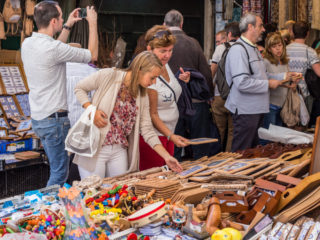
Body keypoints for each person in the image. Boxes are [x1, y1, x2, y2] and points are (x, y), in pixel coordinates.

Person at [21, 1, 98, 186]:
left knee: (56, 169)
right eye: (61, 17)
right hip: (55, 121)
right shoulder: (54, 49)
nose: (64, 19)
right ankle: (45, 210)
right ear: (54, 21)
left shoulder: (28, 43)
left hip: (40, 119)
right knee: (59, 175)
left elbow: (54, 49)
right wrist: (93, 23)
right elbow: (93, 55)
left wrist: (67, 25)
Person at [74, 51, 183, 179]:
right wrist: (92, 110)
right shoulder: (109, 75)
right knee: (93, 193)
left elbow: (147, 130)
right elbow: (79, 88)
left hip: (119, 149)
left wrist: (167, 157)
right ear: (140, 70)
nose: (154, 83)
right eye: (152, 77)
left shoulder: (142, 95)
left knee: (120, 193)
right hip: (95, 146)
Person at [164, 9, 218, 161]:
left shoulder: (161, 46)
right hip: (195, 103)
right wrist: (209, 96)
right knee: (200, 145)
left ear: (164, 25)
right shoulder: (193, 43)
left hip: (171, 103)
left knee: (173, 146)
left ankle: (174, 176)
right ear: (181, 24)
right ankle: (200, 174)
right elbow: (206, 73)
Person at [224, 12, 282, 152]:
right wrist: (268, 84)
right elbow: (242, 83)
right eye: (260, 26)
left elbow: (262, 75)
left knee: (251, 152)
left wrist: (285, 77)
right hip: (246, 111)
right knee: (242, 153)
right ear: (250, 27)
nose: (263, 29)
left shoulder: (253, 48)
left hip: (254, 110)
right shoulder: (239, 50)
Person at [139, 25, 190, 170]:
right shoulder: (148, 73)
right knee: (155, 179)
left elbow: (168, 91)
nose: (167, 55)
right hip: (154, 137)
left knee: (166, 176)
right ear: (149, 49)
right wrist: (171, 136)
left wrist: (180, 80)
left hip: (169, 134)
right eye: (163, 51)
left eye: (170, 50)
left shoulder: (165, 65)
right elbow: (153, 114)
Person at [66, 43, 99, 184]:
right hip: (84, 125)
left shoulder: (58, 71)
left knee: (61, 166)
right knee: (79, 165)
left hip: (63, 123)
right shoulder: (93, 72)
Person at [210, 22, 240, 151]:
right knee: (233, 132)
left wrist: (209, 90)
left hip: (219, 96)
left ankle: (216, 158)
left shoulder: (220, 48)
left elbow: (212, 71)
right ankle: (229, 158)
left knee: (219, 130)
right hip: (237, 97)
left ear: (228, 34)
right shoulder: (245, 48)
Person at [262, 32, 301, 128]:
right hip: (270, 105)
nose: (278, 48)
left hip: (283, 106)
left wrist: (293, 82)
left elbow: (284, 81)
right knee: (267, 136)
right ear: (269, 49)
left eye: (280, 45)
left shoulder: (284, 62)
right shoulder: (265, 61)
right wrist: (285, 76)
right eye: (274, 46)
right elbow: (266, 78)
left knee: (278, 136)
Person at [286, 21, 320, 119]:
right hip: (302, 93)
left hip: (286, 90)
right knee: (302, 123)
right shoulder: (310, 51)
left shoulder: (285, 49)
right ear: (307, 34)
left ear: (292, 32)